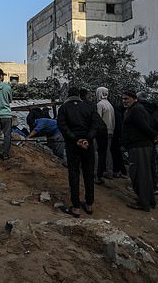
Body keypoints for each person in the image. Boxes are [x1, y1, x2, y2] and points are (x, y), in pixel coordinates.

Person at [57, 87, 98, 217]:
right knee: (89, 173)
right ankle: (89, 204)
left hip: (72, 145)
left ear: (68, 95)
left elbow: (62, 126)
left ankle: (75, 207)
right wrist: (87, 139)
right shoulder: (88, 107)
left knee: (74, 173)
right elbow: (95, 125)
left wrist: (76, 139)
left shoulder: (64, 108)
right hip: (88, 145)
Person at [122, 89, 158, 212]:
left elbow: (143, 126)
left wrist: (154, 135)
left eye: (127, 98)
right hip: (139, 145)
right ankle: (149, 200)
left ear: (134, 98)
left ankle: (143, 203)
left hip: (139, 146)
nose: (124, 101)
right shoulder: (135, 109)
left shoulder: (136, 110)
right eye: (123, 99)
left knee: (138, 174)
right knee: (144, 174)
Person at [137, 91, 158, 195]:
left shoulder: (138, 108)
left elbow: (141, 125)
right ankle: (154, 187)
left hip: (141, 141)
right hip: (153, 140)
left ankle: (142, 188)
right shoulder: (154, 110)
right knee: (151, 164)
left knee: (140, 164)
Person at [81, 88, 108, 185]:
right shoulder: (92, 104)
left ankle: (94, 174)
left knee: (93, 152)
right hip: (103, 129)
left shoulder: (81, 105)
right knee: (101, 153)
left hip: (94, 129)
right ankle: (98, 175)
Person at [96, 87, 116, 180]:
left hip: (102, 132)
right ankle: (109, 171)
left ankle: (97, 171)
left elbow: (98, 119)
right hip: (110, 131)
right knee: (108, 151)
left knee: (97, 151)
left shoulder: (100, 104)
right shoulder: (110, 105)